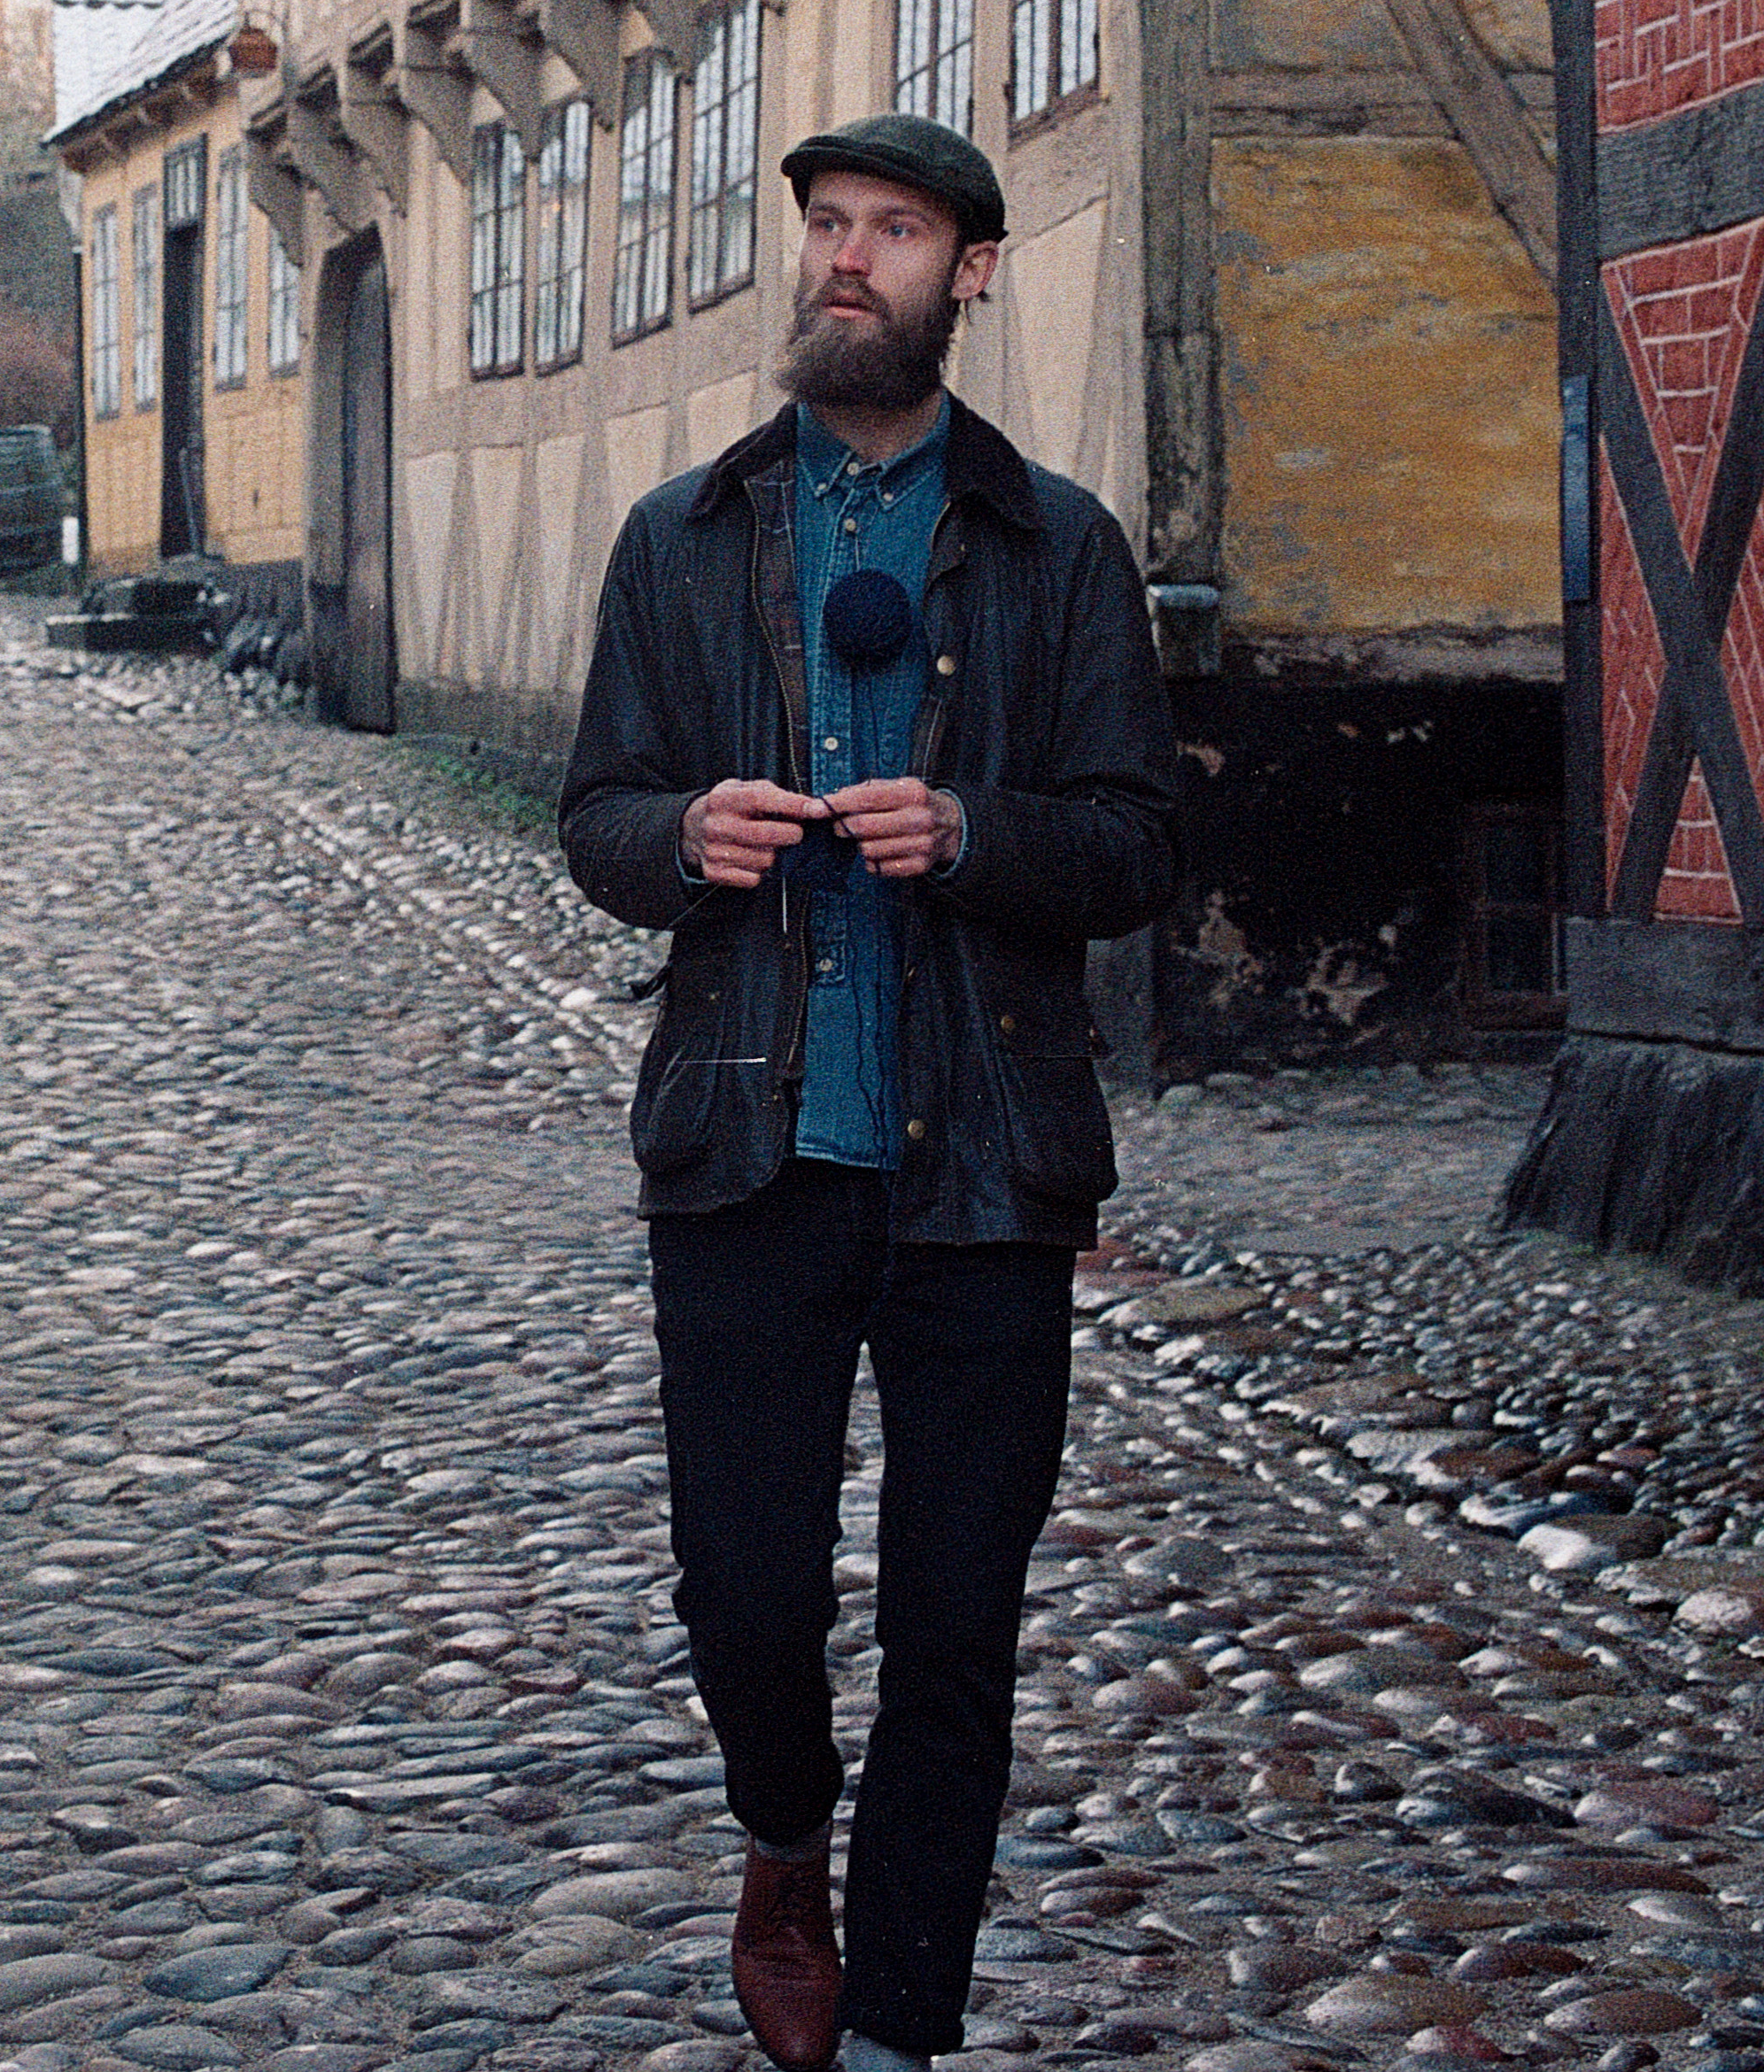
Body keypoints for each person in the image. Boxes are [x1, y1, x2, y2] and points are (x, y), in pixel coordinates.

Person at [558, 113, 1178, 2072]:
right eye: (823, 225)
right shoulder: (681, 535)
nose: (844, 259)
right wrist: (684, 833)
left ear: (967, 273)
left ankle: (902, 2023)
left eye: (891, 230)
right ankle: (776, 1838)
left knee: (950, 1628)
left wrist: (975, 831)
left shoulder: (1055, 547)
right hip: (747, 1151)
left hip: (985, 1166)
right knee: (745, 1594)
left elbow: (1134, 845)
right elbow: (591, 815)